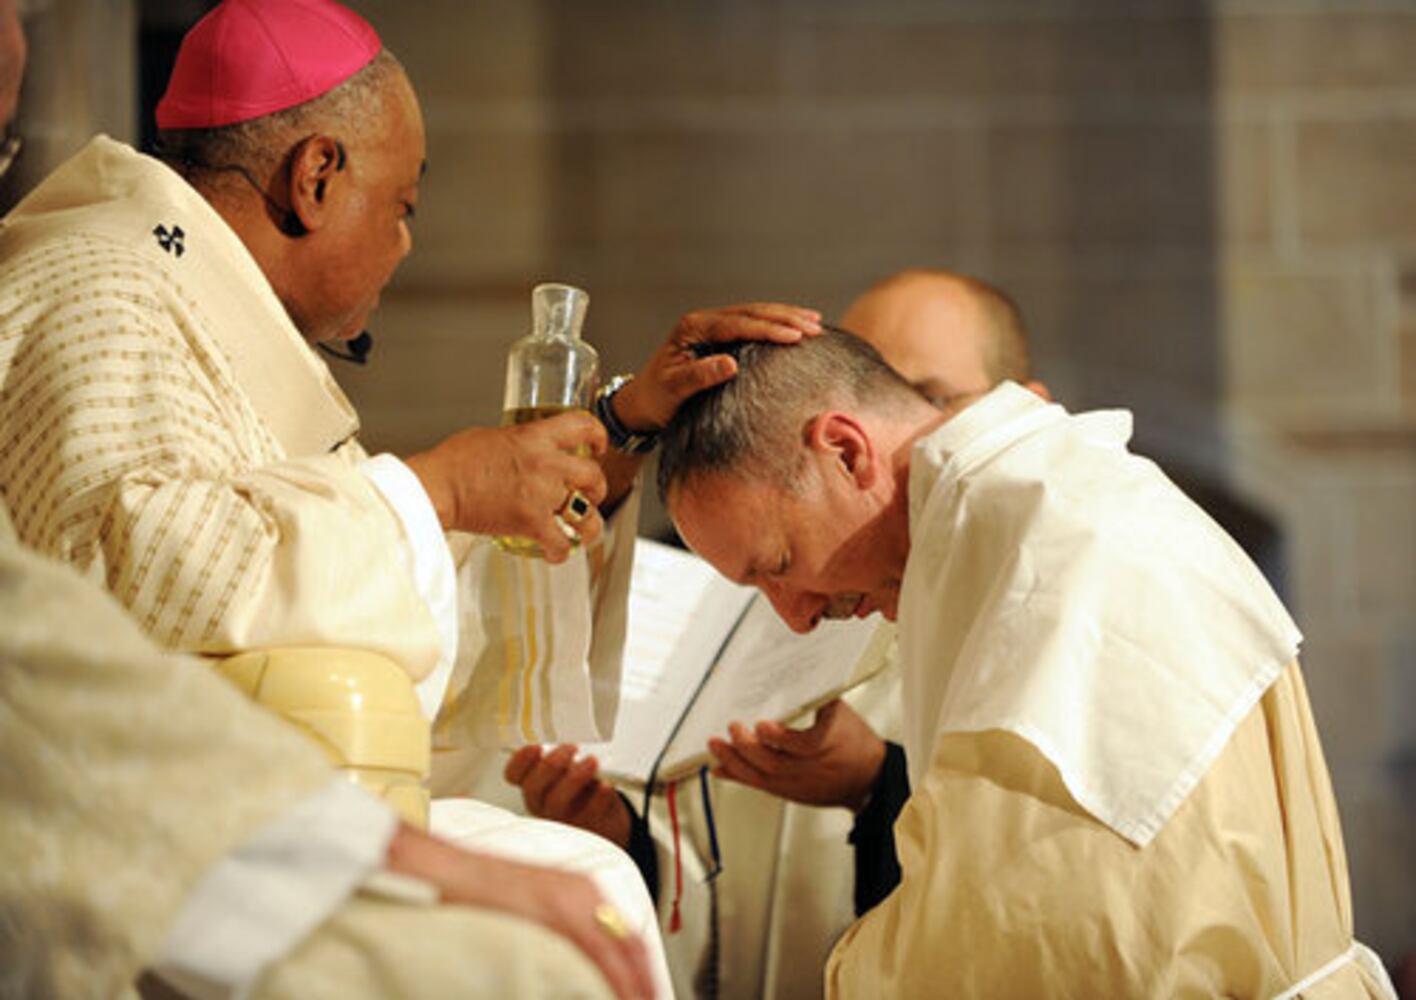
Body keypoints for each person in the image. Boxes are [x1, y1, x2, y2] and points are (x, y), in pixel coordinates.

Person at [0, 0, 818, 995]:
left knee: (574, 887)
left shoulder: (181, 301)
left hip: (247, 830)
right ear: (316, 176)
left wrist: (612, 433)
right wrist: (444, 487)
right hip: (155, 865)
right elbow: (135, 573)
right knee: (562, 913)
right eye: (403, 207)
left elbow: (370, 610)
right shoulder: (101, 289)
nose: (404, 247)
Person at [656, 326, 1397, 998]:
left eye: (779, 564)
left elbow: (1032, 931)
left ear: (847, 452)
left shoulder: (1051, 544)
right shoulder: (1016, 513)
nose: (796, 616)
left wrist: (851, 974)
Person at [507, 269, 1053, 996]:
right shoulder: (771, 588)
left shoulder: (1040, 584)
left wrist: (876, 782)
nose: (798, 612)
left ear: (1021, 407)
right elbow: (706, 893)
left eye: (928, 397)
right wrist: (626, 842)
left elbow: (1045, 884)